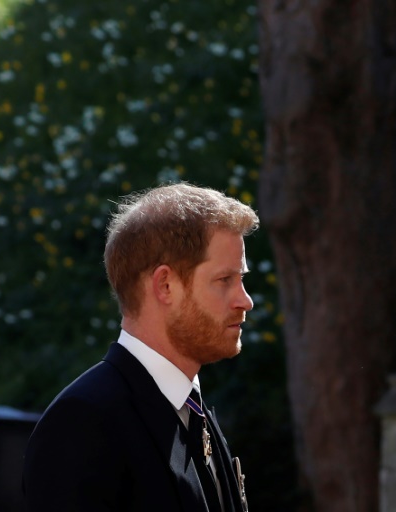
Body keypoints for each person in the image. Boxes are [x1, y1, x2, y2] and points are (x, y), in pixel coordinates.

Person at [23, 182, 258, 511]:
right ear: (165, 285)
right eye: (225, 280)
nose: (245, 301)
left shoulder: (192, 410)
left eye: (241, 279)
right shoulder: (84, 422)